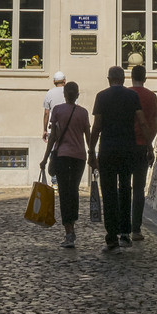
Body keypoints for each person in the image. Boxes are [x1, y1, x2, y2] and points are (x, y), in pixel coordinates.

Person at [87, 64, 142, 249]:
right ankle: (125, 233)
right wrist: (148, 146)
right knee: (126, 189)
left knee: (109, 192)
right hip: (128, 148)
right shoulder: (133, 96)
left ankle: (111, 237)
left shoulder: (102, 97)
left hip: (108, 150)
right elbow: (141, 122)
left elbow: (97, 126)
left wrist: (91, 150)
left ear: (109, 79)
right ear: (124, 79)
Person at [43, 80, 90, 246]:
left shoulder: (57, 110)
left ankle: (69, 231)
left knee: (64, 192)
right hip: (79, 157)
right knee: (73, 191)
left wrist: (45, 158)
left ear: (65, 95)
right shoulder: (83, 113)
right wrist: (92, 154)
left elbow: (53, 137)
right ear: (77, 95)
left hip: (62, 156)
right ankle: (73, 225)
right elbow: (88, 136)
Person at [128, 61, 157, 240]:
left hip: (126, 145)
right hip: (142, 146)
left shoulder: (126, 94)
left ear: (131, 78)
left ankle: (123, 228)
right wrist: (149, 143)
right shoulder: (151, 96)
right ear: (145, 78)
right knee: (139, 189)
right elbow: (154, 123)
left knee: (124, 186)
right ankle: (136, 229)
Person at [41, 70, 67, 139]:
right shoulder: (68, 92)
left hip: (53, 128)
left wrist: (45, 130)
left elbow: (46, 113)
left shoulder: (49, 93)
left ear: (54, 82)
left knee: (53, 148)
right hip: (67, 128)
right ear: (64, 81)